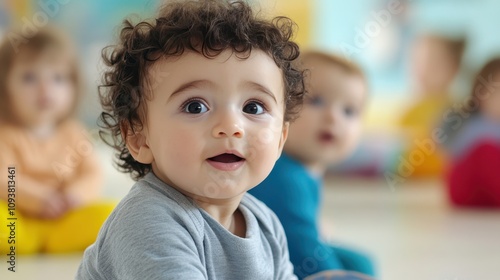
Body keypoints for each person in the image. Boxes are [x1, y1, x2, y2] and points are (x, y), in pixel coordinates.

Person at [76, 1, 305, 279]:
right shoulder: (147, 222)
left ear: (281, 138)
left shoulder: (265, 222)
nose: (231, 127)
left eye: (253, 107)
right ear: (139, 139)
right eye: (195, 106)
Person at [249, 51, 375, 279]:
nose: (333, 118)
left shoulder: (301, 169)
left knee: (360, 263)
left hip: (286, 250)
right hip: (262, 261)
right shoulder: (285, 178)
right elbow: (304, 252)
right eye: (316, 101)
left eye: (349, 111)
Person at [0, 27, 115, 254]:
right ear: (4, 88)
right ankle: (26, 240)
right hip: (18, 219)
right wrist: (38, 199)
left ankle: (54, 240)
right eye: (29, 77)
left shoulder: (74, 133)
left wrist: (75, 196)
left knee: (112, 214)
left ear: (74, 86)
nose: (45, 89)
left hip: (65, 218)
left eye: (58, 78)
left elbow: (92, 173)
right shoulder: (6, 134)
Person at [398, 33, 466, 177]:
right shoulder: (410, 111)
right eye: (417, 62)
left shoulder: (461, 110)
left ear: (454, 68)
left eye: (433, 63)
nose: (423, 70)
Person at [445, 58, 500, 207]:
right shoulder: (469, 124)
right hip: (466, 187)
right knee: (486, 151)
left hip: (492, 195)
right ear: (480, 93)